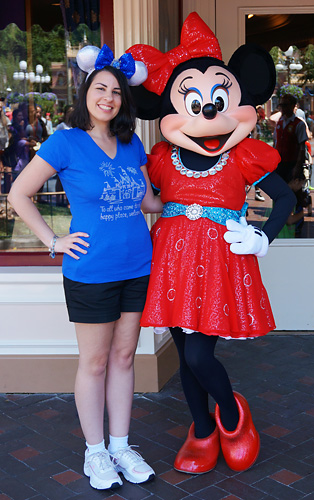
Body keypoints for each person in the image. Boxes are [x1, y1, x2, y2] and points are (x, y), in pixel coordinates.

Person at [127, 12, 295, 475]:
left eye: (219, 98)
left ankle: (232, 412)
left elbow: (283, 198)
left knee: (200, 353)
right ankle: (202, 430)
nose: (208, 110)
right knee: (186, 352)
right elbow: (148, 198)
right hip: (172, 258)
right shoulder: (162, 156)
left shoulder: (242, 152)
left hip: (218, 257)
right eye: (193, 101)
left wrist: (262, 235)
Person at [8, 43, 163, 491]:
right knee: (94, 362)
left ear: (123, 100)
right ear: (86, 93)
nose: (108, 98)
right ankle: (95, 452)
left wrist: (194, 196)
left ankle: (120, 445)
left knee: (123, 356)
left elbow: (150, 201)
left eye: (116, 91)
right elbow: (19, 193)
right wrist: (53, 240)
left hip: (137, 264)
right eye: (100, 88)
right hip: (91, 270)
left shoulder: (133, 144)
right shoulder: (66, 141)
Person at [274, 94, 308, 183]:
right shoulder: (279, 123)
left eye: (285, 105)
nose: (282, 108)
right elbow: (275, 143)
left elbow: (302, 148)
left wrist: (297, 166)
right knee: (281, 191)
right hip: (280, 163)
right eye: (281, 105)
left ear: (293, 106)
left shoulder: (299, 124)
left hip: (292, 163)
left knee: (294, 192)